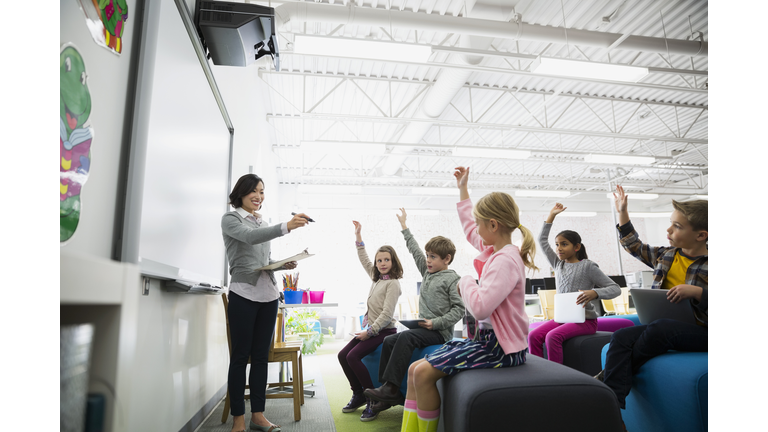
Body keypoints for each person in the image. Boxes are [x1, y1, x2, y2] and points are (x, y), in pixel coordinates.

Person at [399, 166, 538, 432]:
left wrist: (466, 281)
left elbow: (480, 306)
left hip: (500, 348)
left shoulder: (505, 260)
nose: (476, 230)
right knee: (414, 369)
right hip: (486, 341)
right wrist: (463, 190)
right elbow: (470, 230)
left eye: (481, 223)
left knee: (424, 374)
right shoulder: (496, 249)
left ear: (493, 225)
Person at [596, 185, 708, 420]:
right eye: (671, 223)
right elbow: (633, 245)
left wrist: (698, 292)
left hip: (703, 332)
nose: (669, 230)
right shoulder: (666, 255)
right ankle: (612, 405)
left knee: (660, 329)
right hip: (668, 326)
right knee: (621, 336)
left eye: (677, 226)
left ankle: (606, 378)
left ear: (701, 235)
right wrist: (622, 213)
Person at [221, 174, 312, 432]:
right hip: (243, 294)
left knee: (261, 358)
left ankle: (258, 416)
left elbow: (264, 256)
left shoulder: (262, 221)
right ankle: (238, 418)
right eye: (254, 191)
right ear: (242, 192)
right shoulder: (231, 219)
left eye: (262, 192)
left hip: (268, 296)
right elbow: (250, 238)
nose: (259, 196)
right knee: (240, 358)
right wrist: (287, 226)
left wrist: (283, 264)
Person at [364, 208, 465, 414]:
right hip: (425, 327)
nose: (427, 260)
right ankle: (386, 389)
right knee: (388, 340)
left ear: (446, 259)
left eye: (433, 257)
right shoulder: (427, 272)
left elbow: (459, 310)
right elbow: (414, 249)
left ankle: (391, 389)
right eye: (427, 256)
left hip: (439, 332)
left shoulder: (452, 279)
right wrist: (404, 226)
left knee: (405, 339)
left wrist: (435, 323)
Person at [528, 202, 621, 364]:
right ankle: (540, 372)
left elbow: (615, 289)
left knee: (552, 336)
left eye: (564, 244)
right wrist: (551, 216)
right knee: (533, 335)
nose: (559, 248)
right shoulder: (558, 264)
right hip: (563, 317)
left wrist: (595, 293)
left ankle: (559, 376)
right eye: (557, 245)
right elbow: (542, 240)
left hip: (585, 321)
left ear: (576, 247)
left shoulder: (588, 266)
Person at [338, 220, 404, 422]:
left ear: (393, 262)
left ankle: (372, 401)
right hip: (372, 329)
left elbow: (386, 314)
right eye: (379, 261)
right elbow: (364, 259)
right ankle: (358, 394)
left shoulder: (393, 284)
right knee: (342, 355)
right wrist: (358, 237)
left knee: (353, 357)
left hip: (384, 331)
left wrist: (370, 331)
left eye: (386, 260)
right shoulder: (376, 279)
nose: (382, 263)